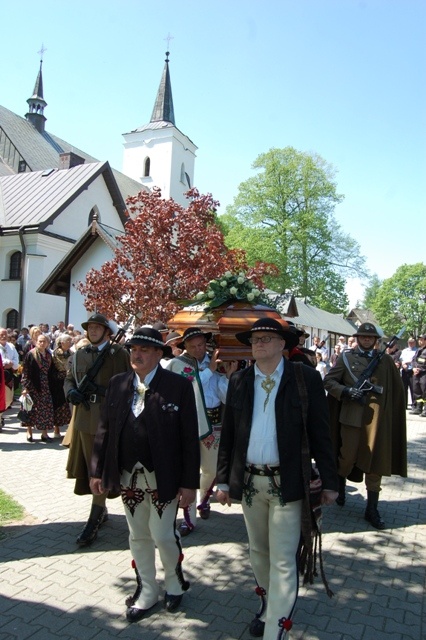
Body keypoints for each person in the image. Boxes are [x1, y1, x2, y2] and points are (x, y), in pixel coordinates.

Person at [216, 318, 338, 639]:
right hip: (250, 484)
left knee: (283, 558)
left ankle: (276, 629)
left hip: (288, 484)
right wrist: (224, 481)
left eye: (268, 338)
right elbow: (228, 435)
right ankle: (269, 604)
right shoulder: (240, 380)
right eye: (255, 339)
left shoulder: (305, 379)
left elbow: (322, 434)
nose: (259, 344)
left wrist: (330, 481)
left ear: (283, 345)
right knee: (258, 552)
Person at [90, 327, 200, 621]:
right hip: (128, 477)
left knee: (163, 535)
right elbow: (104, 430)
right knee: (138, 535)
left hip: (165, 476)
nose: (136, 355)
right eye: (133, 350)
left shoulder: (177, 386)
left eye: (144, 350)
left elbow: (190, 438)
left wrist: (190, 484)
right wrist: (97, 470)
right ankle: (147, 590)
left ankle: (175, 584)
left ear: (158, 354)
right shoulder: (117, 384)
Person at [323, 323, 407, 529]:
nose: (367, 340)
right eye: (363, 336)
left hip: (377, 421)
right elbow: (329, 381)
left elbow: (396, 391)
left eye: (370, 337)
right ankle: (340, 483)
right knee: (347, 457)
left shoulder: (386, 361)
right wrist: (346, 392)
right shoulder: (346, 357)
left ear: (376, 340)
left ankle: (372, 508)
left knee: (375, 463)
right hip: (351, 417)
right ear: (358, 338)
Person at [64, 313, 131, 546]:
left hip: (107, 419)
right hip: (84, 418)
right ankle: (99, 509)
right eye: (90, 327)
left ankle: (95, 516)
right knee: (90, 468)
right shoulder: (80, 354)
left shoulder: (119, 354)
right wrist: (70, 391)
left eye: (97, 327)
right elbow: (69, 378)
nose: (92, 331)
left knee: (101, 468)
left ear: (107, 332)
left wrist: (103, 392)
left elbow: (129, 383)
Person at [165, 327, 238, 535]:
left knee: (212, 470)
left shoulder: (215, 362)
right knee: (187, 471)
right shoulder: (177, 364)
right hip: (187, 425)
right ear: (184, 347)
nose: (198, 350)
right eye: (192, 346)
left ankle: (204, 499)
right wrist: (210, 370)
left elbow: (224, 397)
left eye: (201, 345)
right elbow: (188, 388)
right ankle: (188, 519)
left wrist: (229, 377)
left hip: (213, 423)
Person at [21, 334, 56, 442]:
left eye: (44, 341)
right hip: (33, 385)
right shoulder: (30, 355)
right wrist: (26, 387)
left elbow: (51, 371)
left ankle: (44, 434)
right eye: (40, 341)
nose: (42, 343)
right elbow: (26, 371)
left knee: (45, 410)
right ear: (36, 342)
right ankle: (29, 432)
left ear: (47, 343)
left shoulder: (48, 355)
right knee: (30, 409)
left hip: (45, 385)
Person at [51, 333, 73, 436]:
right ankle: (56, 429)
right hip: (57, 382)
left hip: (68, 380)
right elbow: (54, 367)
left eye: (70, 341)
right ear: (62, 343)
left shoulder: (71, 353)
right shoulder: (55, 354)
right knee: (58, 405)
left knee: (68, 406)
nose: (70, 343)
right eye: (68, 341)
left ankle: (69, 430)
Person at [0, 327, 20, 424]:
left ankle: (0, 416)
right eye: (1, 334)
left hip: (8, 375)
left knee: (8, 399)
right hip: (0, 373)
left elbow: (16, 360)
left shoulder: (11, 346)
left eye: (5, 334)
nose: (3, 336)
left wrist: (12, 364)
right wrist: (6, 362)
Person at [410, 334, 426, 416]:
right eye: (419, 339)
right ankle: (418, 408)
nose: (419, 341)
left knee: (424, 391)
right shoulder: (418, 350)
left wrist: (420, 369)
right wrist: (413, 368)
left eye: (421, 339)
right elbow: (413, 360)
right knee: (417, 390)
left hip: (424, 373)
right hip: (416, 373)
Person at [400, 337, 418, 409]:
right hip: (404, 371)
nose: (410, 343)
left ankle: (414, 405)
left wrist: (407, 362)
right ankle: (404, 405)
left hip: (412, 371)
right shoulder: (404, 351)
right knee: (404, 388)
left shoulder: (417, 350)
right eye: (409, 342)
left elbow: (414, 360)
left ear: (414, 343)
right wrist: (403, 363)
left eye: (412, 342)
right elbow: (401, 359)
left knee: (413, 388)